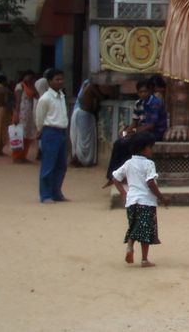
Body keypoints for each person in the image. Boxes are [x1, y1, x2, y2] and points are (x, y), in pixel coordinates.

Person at [111, 132, 167, 268]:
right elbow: (151, 182)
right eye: (150, 147)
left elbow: (115, 178)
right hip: (146, 201)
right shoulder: (149, 164)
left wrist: (124, 194)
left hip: (131, 201)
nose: (152, 150)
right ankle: (144, 259)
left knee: (134, 225)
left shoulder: (128, 163)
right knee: (146, 231)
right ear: (143, 148)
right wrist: (161, 197)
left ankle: (131, 247)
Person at [104, 78, 168, 186]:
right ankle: (113, 175)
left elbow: (151, 125)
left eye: (145, 91)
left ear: (150, 91)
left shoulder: (155, 103)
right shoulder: (138, 103)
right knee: (119, 142)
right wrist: (125, 133)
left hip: (155, 133)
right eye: (140, 92)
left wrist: (133, 132)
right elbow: (134, 122)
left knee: (128, 144)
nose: (143, 94)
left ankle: (124, 176)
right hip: (141, 132)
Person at [35, 69, 70, 203]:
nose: (60, 82)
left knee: (61, 165)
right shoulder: (45, 98)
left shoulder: (61, 96)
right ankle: (46, 195)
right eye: (57, 79)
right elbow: (39, 116)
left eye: (61, 79)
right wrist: (40, 130)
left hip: (61, 132)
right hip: (50, 131)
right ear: (49, 81)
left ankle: (56, 192)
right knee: (49, 164)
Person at [70, 78, 101, 166]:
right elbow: (99, 97)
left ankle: (79, 158)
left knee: (80, 138)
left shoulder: (87, 85)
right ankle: (82, 159)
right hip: (84, 114)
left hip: (83, 113)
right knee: (83, 139)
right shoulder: (90, 85)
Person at [12, 70, 38, 163]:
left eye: (31, 77)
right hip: (21, 113)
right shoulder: (20, 86)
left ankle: (23, 155)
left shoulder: (32, 87)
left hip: (30, 114)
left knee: (27, 135)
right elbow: (17, 102)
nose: (29, 79)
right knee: (19, 135)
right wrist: (16, 114)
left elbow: (37, 96)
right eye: (28, 76)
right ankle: (17, 156)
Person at [0, 74, 9, 156]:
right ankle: (0, 150)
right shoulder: (4, 89)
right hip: (1, 109)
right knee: (1, 129)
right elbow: (6, 101)